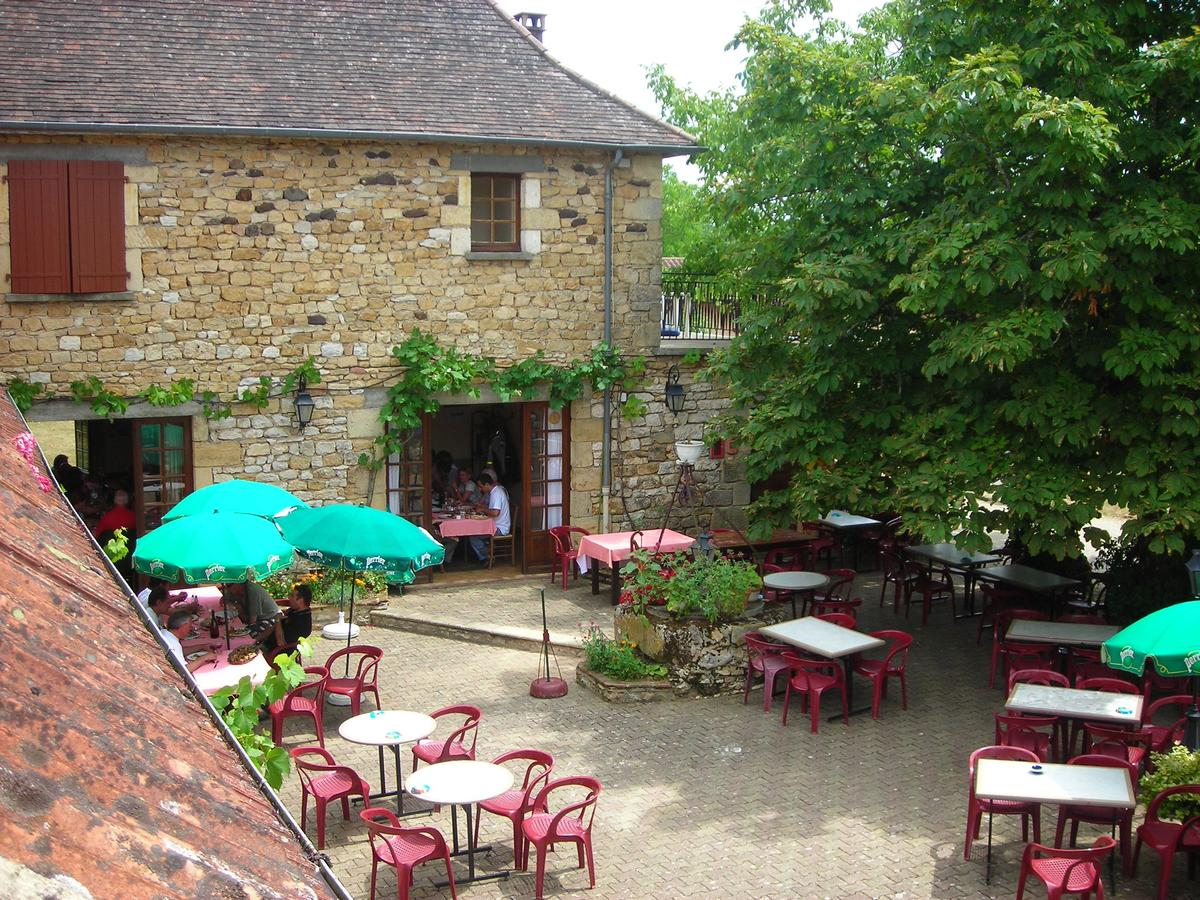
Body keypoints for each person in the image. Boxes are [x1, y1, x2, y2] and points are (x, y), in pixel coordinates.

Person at [259, 584, 313, 661]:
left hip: (278, 653)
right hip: (266, 642)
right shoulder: (296, 611)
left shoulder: (302, 622)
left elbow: (281, 643)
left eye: (292, 596)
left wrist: (277, 620)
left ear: (301, 600)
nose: (289, 598)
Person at [469, 472, 511, 563]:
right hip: (495, 525)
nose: (480, 489)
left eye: (481, 486)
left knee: (473, 537)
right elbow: (492, 509)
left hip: (500, 528)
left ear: (487, 484)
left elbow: (495, 513)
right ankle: (489, 549)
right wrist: (483, 508)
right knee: (475, 532)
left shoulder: (496, 494)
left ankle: (487, 555)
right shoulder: (495, 491)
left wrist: (483, 510)